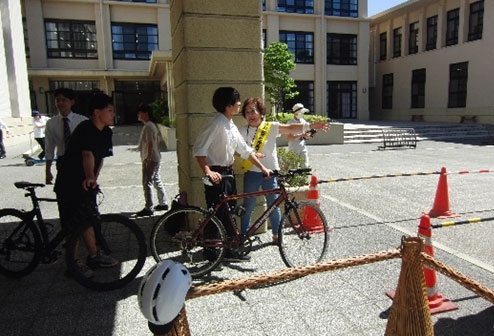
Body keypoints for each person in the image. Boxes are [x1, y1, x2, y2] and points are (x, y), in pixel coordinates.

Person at [193, 87, 272, 262]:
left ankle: (229, 249)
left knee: (229, 212)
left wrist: (262, 167)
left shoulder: (230, 124)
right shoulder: (216, 124)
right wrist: (207, 171)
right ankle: (210, 252)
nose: (239, 104)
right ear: (228, 105)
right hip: (216, 173)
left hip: (228, 173)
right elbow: (199, 149)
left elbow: (243, 150)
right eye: (236, 101)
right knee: (217, 213)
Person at [239, 98, 330, 244]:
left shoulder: (270, 126)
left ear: (261, 113)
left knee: (274, 205)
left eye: (253, 111)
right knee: (248, 206)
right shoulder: (242, 131)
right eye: (247, 111)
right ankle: (243, 237)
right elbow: (237, 151)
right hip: (251, 173)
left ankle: (277, 235)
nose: (251, 114)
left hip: (271, 173)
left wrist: (311, 125)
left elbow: (290, 128)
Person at [55, 92, 118, 277]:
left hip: (86, 182)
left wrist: (93, 179)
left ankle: (94, 255)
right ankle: (72, 264)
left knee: (90, 218)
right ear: (97, 112)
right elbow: (87, 155)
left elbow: (99, 159)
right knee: (71, 223)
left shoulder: (106, 132)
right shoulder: (85, 128)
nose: (113, 114)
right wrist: (89, 177)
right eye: (110, 110)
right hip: (69, 182)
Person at [45, 88, 87, 185]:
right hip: (63, 161)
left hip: (80, 161)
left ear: (72, 102)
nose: (60, 103)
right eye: (57, 100)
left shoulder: (82, 121)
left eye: (64, 100)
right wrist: (47, 171)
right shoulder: (51, 123)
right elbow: (49, 148)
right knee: (63, 192)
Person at [135, 103, 169, 217]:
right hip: (155, 157)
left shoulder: (149, 126)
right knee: (156, 179)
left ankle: (148, 207)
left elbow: (150, 143)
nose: (138, 115)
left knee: (147, 182)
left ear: (145, 114)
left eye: (140, 113)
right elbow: (157, 142)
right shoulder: (151, 125)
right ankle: (163, 202)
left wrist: (148, 159)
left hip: (151, 158)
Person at [285, 103, 316, 168]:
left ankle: (304, 177)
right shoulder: (290, 123)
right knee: (293, 166)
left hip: (303, 146)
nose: (302, 114)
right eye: (301, 113)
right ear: (295, 113)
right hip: (293, 147)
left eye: (303, 113)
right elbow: (288, 137)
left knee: (305, 165)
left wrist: (309, 135)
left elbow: (306, 133)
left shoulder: (303, 121)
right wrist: (300, 135)